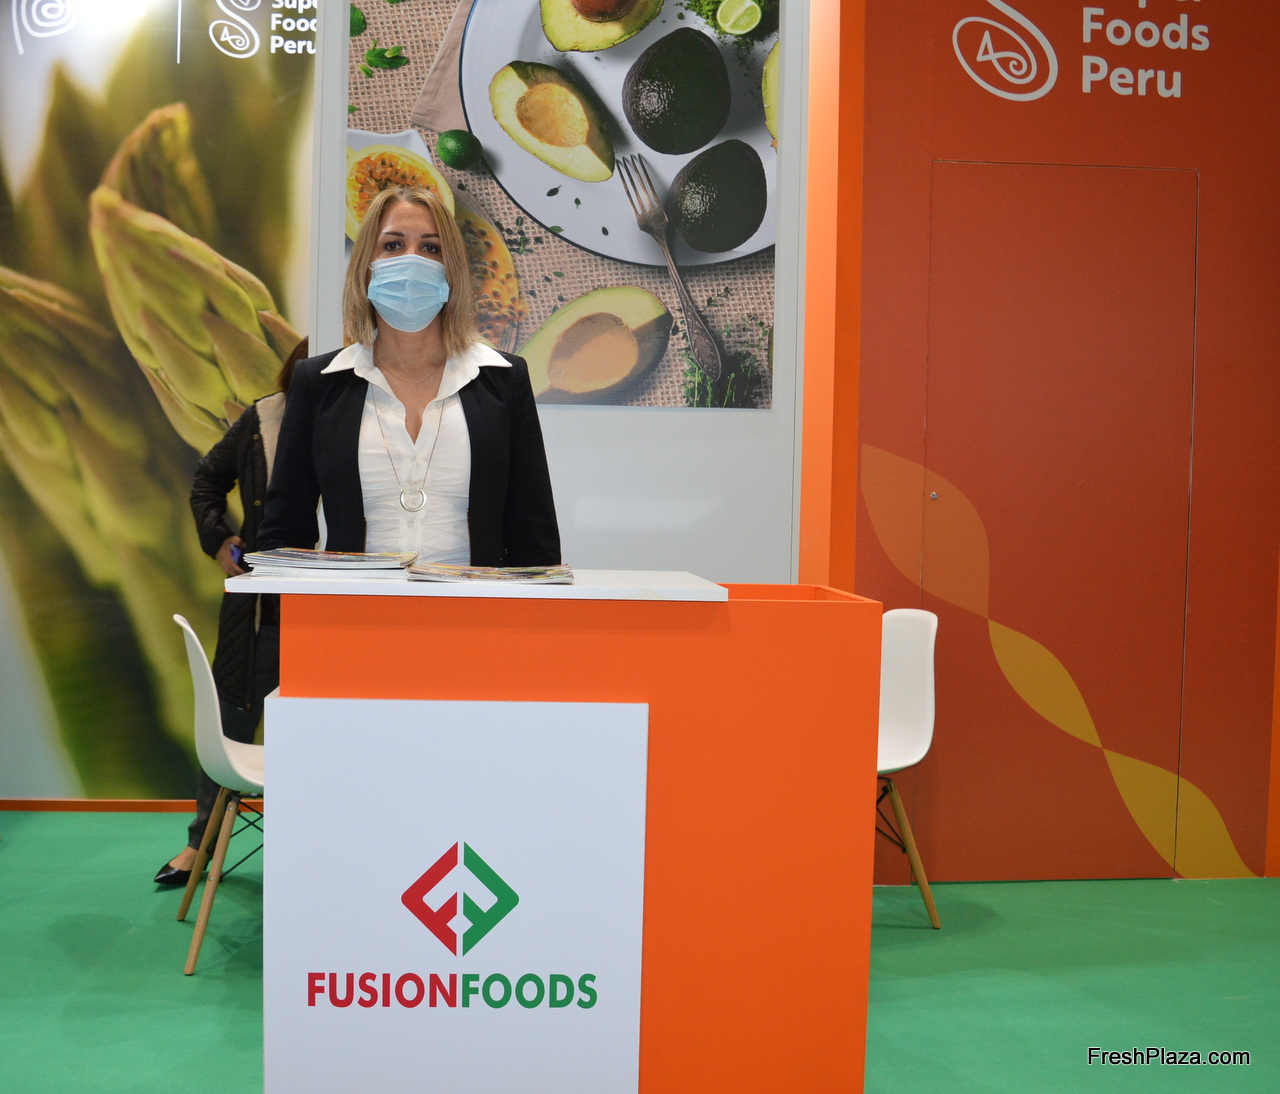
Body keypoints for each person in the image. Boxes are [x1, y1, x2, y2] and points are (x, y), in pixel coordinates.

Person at [258, 185, 560, 567]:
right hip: (354, 604)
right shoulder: (318, 382)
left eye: (431, 248)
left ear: (452, 269)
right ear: (366, 266)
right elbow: (284, 535)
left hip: (474, 603)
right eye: (393, 245)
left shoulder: (503, 380)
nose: (412, 260)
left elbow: (534, 537)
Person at [153, 342, 304, 886]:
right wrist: (219, 538)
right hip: (264, 609)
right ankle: (201, 844)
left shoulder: (376, 421)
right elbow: (206, 482)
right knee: (232, 720)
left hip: (344, 614)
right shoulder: (263, 417)